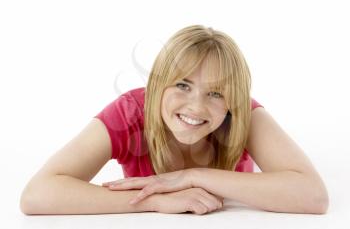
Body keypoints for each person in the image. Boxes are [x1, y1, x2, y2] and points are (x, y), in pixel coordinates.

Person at [20, 25, 329, 215]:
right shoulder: (130, 112)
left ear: (232, 102)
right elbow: (37, 195)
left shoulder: (244, 114)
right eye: (182, 85)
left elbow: (314, 196)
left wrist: (192, 177)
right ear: (157, 85)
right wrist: (154, 202)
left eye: (216, 94)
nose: (196, 106)